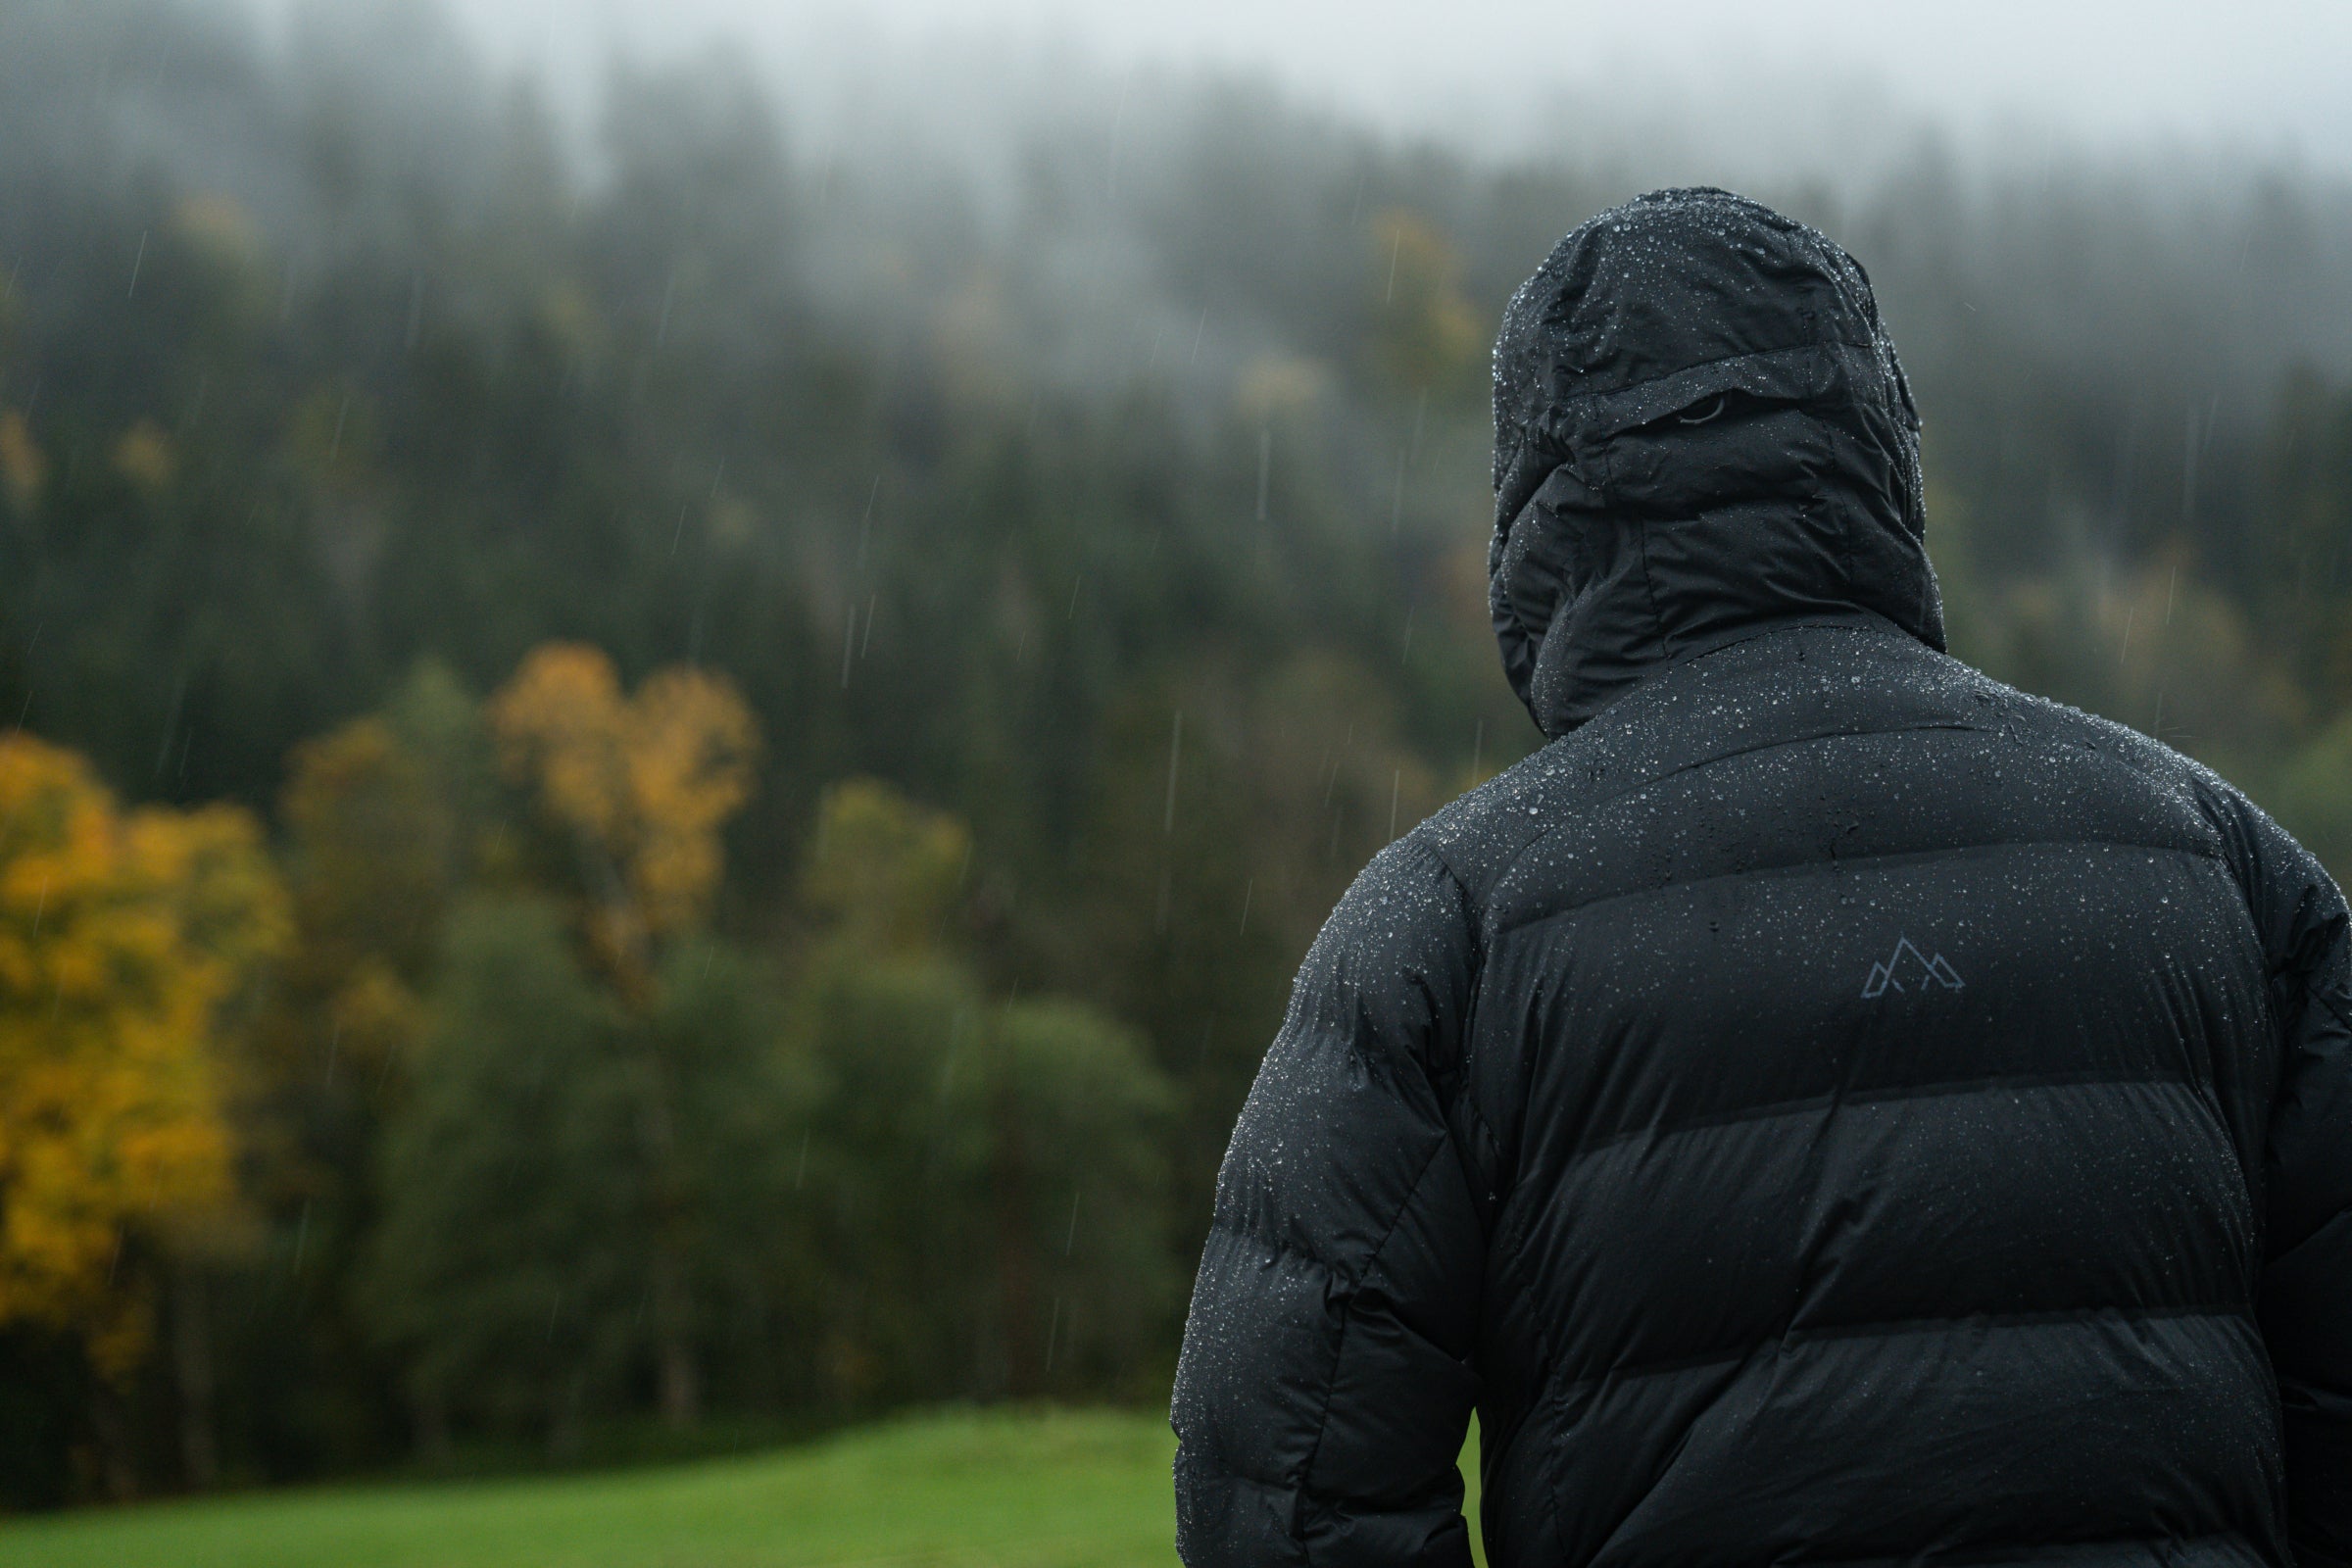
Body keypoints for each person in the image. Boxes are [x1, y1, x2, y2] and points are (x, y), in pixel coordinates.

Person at [1170, 187, 2352, 1568]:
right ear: (1876, 454)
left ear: (1541, 517)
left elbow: (1289, 1492)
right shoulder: (2220, 861)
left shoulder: (1446, 925)